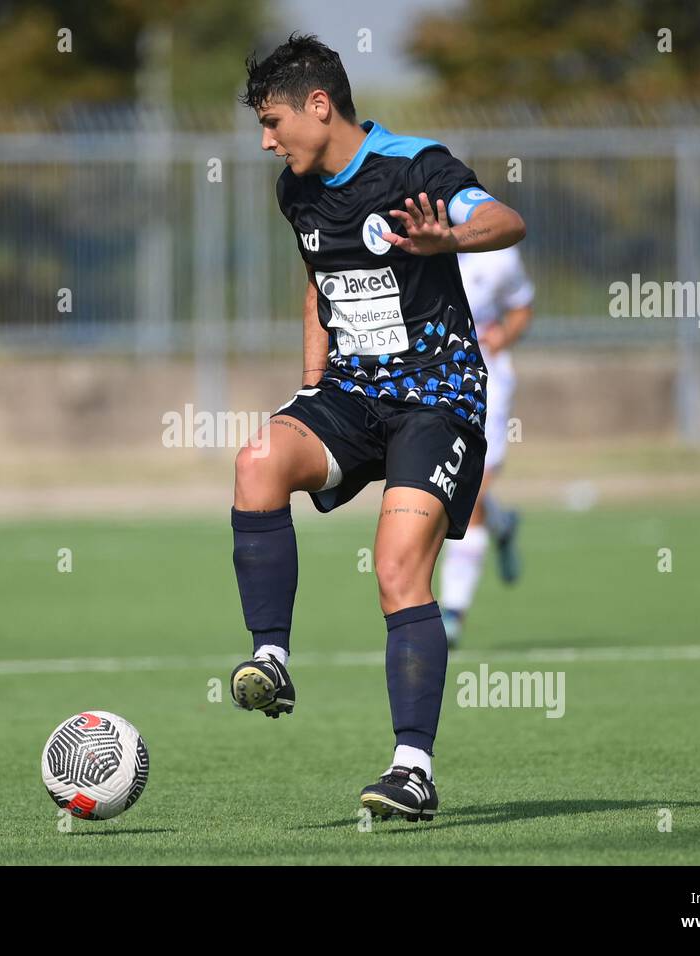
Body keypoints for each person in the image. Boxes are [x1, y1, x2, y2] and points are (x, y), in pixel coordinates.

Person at [227, 34, 526, 821]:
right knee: (258, 460)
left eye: (272, 120)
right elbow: (318, 285)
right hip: (353, 396)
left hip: (437, 397)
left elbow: (506, 219)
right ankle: (271, 657)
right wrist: (310, 388)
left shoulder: (414, 166)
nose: (266, 139)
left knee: (396, 569)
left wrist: (450, 238)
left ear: (318, 106)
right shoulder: (296, 190)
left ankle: (412, 771)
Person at [438, 246, 535, 647]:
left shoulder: (499, 255)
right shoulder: (405, 240)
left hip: (487, 380)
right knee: (454, 485)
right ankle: (501, 523)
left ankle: (452, 612)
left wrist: (503, 337)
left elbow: (522, 307)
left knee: (471, 491)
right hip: (433, 380)